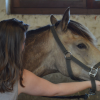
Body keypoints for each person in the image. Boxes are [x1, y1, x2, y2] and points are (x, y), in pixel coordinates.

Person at [0, 18, 100, 100]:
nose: (24, 48)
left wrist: (91, 83)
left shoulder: (19, 76)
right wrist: (91, 83)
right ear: (13, 46)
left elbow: (57, 89)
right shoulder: (19, 77)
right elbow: (57, 89)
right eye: (23, 42)